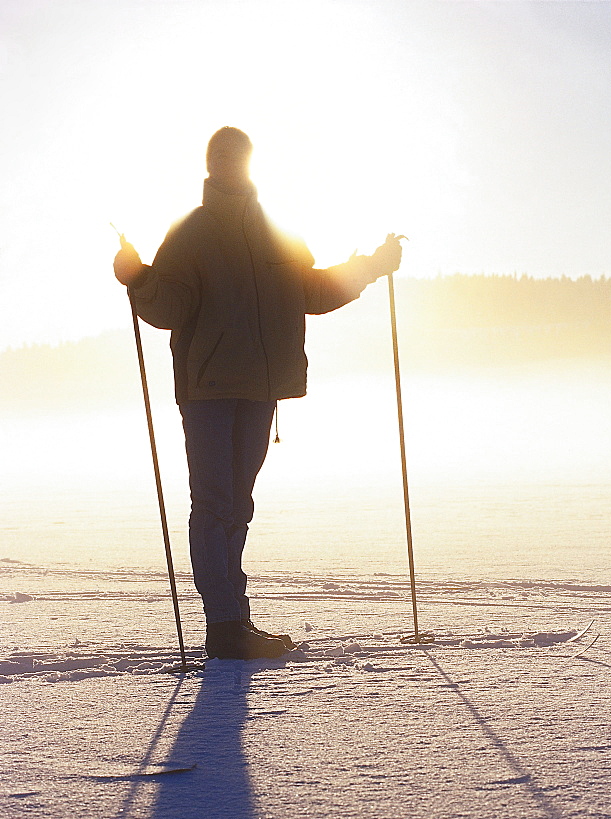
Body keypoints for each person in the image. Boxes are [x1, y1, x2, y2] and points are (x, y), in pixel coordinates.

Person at [113, 126, 401, 661]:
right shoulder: (192, 233)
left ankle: (232, 622)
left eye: (238, 158)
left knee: (235, 505)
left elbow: (312, 290)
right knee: (217, 503)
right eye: (225, 159)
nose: (232, 166)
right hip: (208, 392)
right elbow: (167, 309)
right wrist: (137, 279)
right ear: (212, 165)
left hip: (259, 390)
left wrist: (370, 267)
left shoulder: (274, 231)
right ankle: (225, 626)